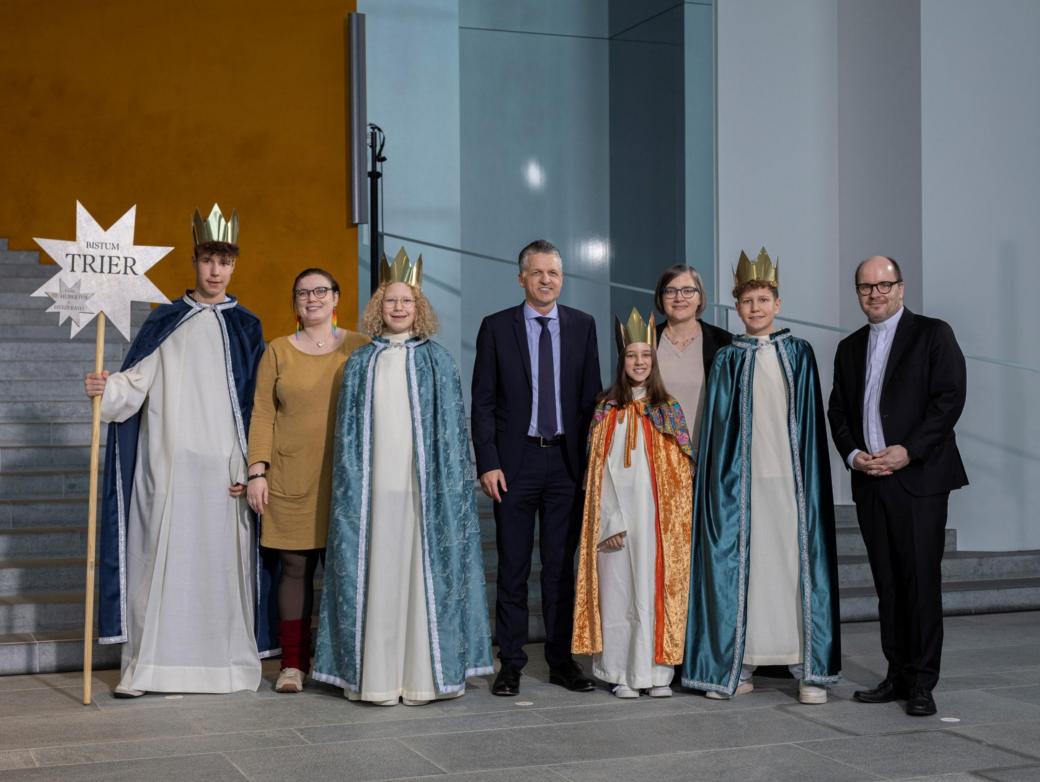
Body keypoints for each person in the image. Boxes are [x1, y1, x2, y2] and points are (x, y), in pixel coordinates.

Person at [86, 205, 276, 697]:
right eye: (209, 260)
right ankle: (149, 667)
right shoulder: (164, 321)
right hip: (166, 464)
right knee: (156, 561)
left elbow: (258, 402)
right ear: (195, 260)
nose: (217, 271)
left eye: (226, 261)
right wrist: (105, 387)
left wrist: (255, 465)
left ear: (235, 265)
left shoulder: (247, 327)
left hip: (224, 471)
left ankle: (225, 666)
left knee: (220, 567)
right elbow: (135, 384)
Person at [312, 249, 493, 705]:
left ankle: (420, 677)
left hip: (422, 495)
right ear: (378, 306)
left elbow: (452, 437)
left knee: (419, 579)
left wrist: (444, 490)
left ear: (419, 308)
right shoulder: (359, 363)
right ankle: (376, 676)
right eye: (390, 300)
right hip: (373, 496)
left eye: (406, 302)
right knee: (380, 575)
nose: (397, 308)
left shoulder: (439, 361)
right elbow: (350, 438)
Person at [682, 248, 841, 704]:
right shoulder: (728, 359)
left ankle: (807, 667)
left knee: (793, 567)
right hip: (744, 486)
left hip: (790, 484)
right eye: (747, 301)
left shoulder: (800, 354)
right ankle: (741, 660)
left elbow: (809, 425)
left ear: (778, 303)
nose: (755, 308)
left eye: (763, 299)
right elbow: (716, 429)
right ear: (737, 307)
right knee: (747, 569)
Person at [828, 255, 967, 717]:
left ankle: (923, 683)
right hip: (871, 481)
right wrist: (853, 454)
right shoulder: (849, 348)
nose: (876, 293)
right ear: (858, 294)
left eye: (884, 285)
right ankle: (897, 673)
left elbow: (949, 398)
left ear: (901, 288)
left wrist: (908, 450)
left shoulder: (933, 334)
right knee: (887, 582)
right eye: (866, 287)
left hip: (919, 480)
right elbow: (839, 413)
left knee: (921, 582)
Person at [471, 239, 602, 696]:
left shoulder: (583, 327)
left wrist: (593, 465)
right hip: (515, 463)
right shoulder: (496, 328)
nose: (547, 280)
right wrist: (487, 462)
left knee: (560, 569)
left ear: (561, 279)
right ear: (521, 277)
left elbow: (591, 402)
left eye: (554, 273)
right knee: (511, 567)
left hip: (566, 464)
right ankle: (510, 661)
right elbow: (483, 403)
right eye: (538, 272)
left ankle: (562, 660)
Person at [246, 268, 369, 693]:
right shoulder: (278, 350)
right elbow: (263, 411)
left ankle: (346, 663)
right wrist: (256, 470)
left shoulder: (359, 346)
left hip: (347, 481)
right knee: (295, 569)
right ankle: (293, 665)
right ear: (295, 302)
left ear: (336, 298)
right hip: (290, 476)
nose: (312, 298)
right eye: (303, 292)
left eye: (321, 291)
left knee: (346, 572)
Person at [572, 309, 694, 698]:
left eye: (646, 356)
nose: (639, 362)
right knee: (619, 591)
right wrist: (610, 520)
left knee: (653, 591)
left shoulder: (668, 409)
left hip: (656, 520)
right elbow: (595, 474)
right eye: (631, 356)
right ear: (622, 360)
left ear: (654, 361)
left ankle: (656, 674)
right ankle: (621, 672)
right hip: (616, 521)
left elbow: (682, 470)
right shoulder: (607, 410)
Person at [653, 264, 732, 447]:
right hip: (657, 456)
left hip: (707, 455)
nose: (679, 297)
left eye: (688, 290)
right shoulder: (646, 340)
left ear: (700, 298)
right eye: (670, 291)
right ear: (661, 298)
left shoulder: (724, 343)